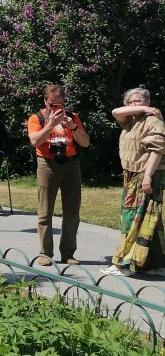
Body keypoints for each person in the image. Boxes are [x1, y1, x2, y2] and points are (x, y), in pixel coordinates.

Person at [103, 87, 165, 276]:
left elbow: (157, 150)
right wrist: (143, 109)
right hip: (131, 175)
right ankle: (155, 265)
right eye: (130, 102)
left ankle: (123, 264)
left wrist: (147, 176)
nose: (133, 105)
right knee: (149, 221)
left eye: (138, 101)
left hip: (146, 175)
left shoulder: (153, 121)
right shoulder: (131, 120)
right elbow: (115, 112)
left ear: (147, 101)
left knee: (134, 219)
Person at [27, 83, 90, 266]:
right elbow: (35, 141)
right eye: (53, 105)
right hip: (47, 164)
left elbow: (85, 143)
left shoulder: (72, 117)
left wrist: (74, 128)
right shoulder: (36, 118)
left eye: (60, 105)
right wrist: (51, 125)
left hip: (71, 164)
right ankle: (45, 253)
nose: (57, 109)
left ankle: (68, 253)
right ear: (45, 101)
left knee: (72, 212)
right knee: (45, 212)